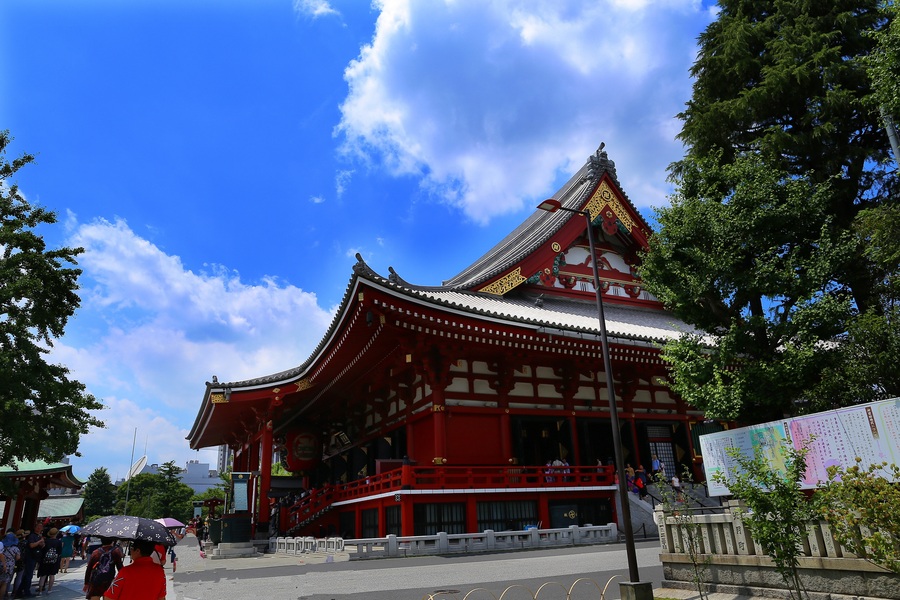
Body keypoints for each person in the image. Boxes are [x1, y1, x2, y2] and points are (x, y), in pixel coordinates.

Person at [15, 521, 44, 598]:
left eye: (40, 527)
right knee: (28, 575)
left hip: (34, 557)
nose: (39, 528)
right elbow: (31, 545)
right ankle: (26, 591)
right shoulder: (32, 536)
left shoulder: (38, 536)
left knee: (27, 575)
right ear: (35, 527)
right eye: (38, 527)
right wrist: (39, 542)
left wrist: (42, 543)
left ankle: (20, 591)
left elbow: (41, 545)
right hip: (30, 557)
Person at [36, 527, 62, 595]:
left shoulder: (45, 541)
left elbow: (42, 550)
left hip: (45, 560)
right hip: (54, 560)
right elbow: (59, 552)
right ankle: (49, 590)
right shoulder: (58, 542)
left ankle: (40, 590)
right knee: (52, 575)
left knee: (43, 575)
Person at [2, 530, 22, 599]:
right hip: (9, 565)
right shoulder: (15, 548)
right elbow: (18, 558)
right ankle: (3, 595)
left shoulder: (2, 546)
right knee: (5, 582)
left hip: (1, 563)